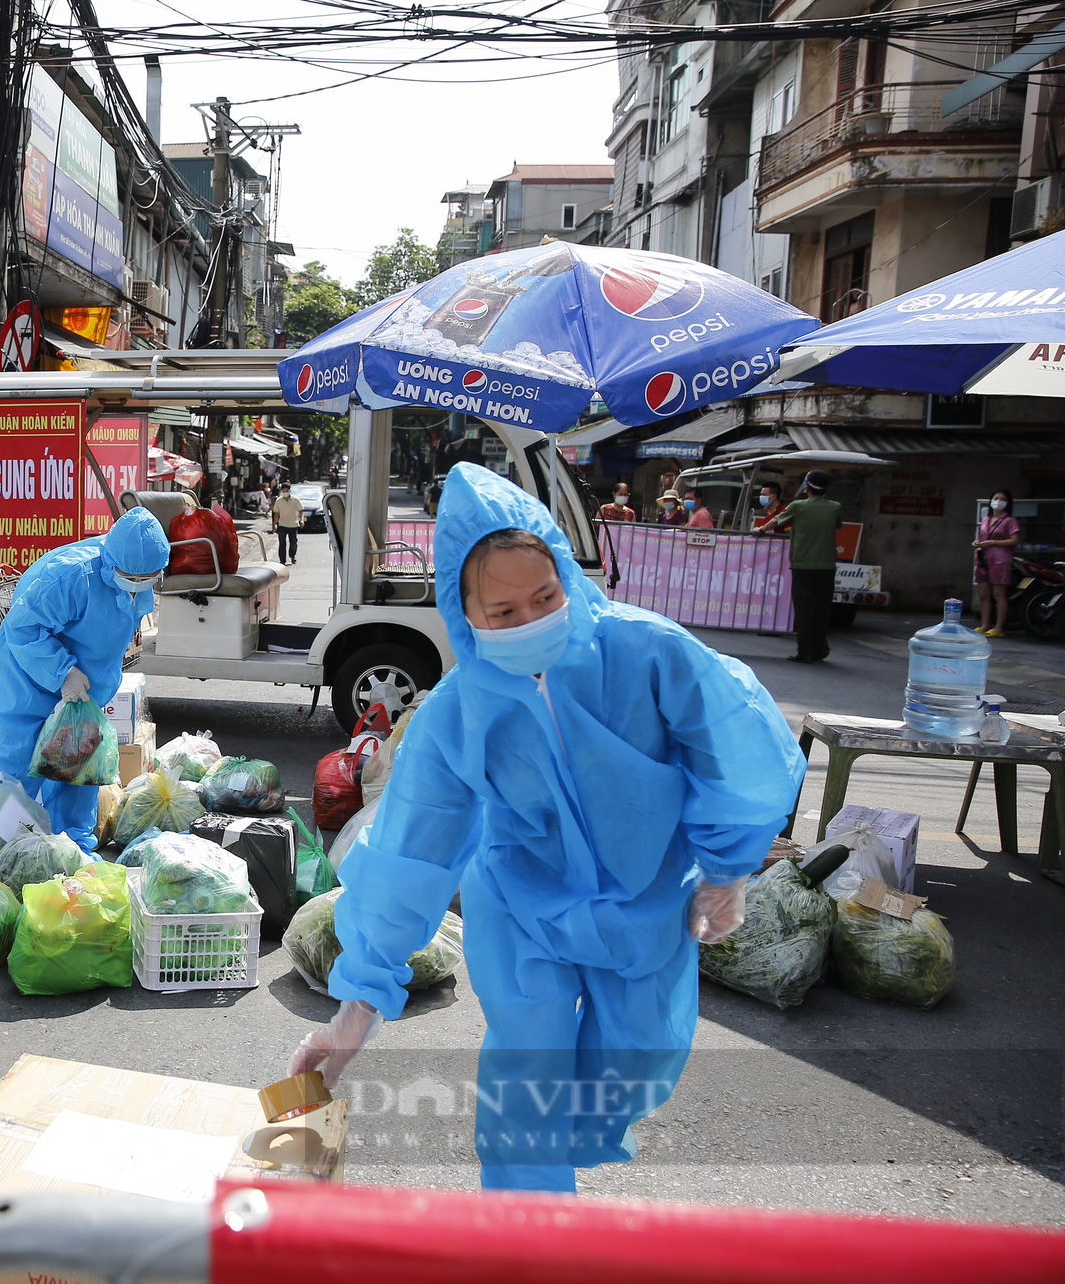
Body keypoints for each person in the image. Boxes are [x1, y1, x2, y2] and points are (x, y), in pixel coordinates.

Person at [288, 463, 803, 1193]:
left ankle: (561, 1163)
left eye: (545, 596)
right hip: (522, 906)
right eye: (502, 613)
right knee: (528, 1075)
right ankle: (525, 1234)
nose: (529, 621)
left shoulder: (650, 651)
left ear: (566, 573)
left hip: (647, 895)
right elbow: (412, 853)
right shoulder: (456, 715)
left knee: (636, 1062)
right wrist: (357, 1008)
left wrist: (727, 868)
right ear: (465, 615)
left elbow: (735, 745)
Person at [0, 507, 170, 850]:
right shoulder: (70, 575)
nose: (140, 584)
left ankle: (69, 842)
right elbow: (25, 629)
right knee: (19, 758)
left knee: (79, 759)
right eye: (133, 577)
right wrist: (63, 671)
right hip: (30, 675)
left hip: (88, 685)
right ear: (112, 562)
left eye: (149, 577)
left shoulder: (136, 565)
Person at [755, 469, 841, 663]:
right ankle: (821, 648)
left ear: (807, 487)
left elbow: (777, 520)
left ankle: (805, 651)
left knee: (804, 609)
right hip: (827, 565)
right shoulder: (835, 507)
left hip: (803, 564)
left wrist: (760, 529)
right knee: (821, 609)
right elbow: (836, 525)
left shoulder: (798, 506)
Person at [973, 491, 1020, 637]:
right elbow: (982, 536)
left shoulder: (1009, 520)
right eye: (996, 498)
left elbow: (1014, 540)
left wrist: (993, 543)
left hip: (1000, 559)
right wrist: (978, 543)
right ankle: (985, 625)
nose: (998, 501)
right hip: (984, 558)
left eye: (1003, 499)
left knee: (998, 594)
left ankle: (999, 627)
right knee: (984, 594)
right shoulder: (986, 519)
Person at [272, 485, 305, 564]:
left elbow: (301, 511)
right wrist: (274, 524)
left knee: (293, 543)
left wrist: (302, 520)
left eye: (287, 491)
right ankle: (282, 560)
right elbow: (276, 513)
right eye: (284, 491)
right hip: (282, 524)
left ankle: (292, 555)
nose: (285, 493)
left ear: (289, 491)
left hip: (293, 525)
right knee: (282, 543)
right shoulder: (278, 501)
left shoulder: (295, 500)